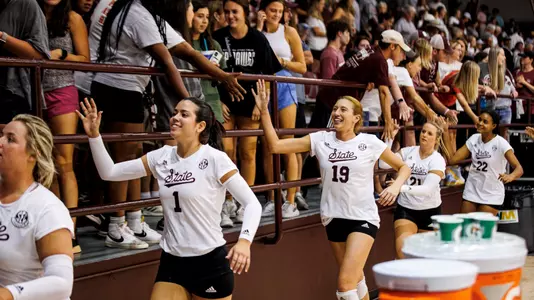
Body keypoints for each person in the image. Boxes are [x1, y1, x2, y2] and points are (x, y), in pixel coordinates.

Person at [77, 98, 262, 300]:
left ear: (200, 126)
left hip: (209, 262)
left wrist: (244, 241)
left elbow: (251, 203)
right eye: (175, 112)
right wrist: (94, 136)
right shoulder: (161, 156)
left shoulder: (215, 159)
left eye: (184, 114)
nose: (175, 117)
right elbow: (110, 172)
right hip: (172, 262)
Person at [253, 79, 411, 300]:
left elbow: (403, 167)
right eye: (335, 108)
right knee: (355, 279)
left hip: (362, 216)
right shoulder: (321, 140)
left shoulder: (369, 142)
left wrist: (394, 187)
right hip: (332, 216)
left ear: (356, 118)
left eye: (343, 109)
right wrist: (264, 112)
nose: (336, 112)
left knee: (345, 284)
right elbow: (276, 146)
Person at [213, 0, 282, 227]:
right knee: (227, 152)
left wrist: (261, 105)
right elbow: (210, 70)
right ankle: (227, 202)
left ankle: (246, 202)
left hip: (250, 102)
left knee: (248, 153)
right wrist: (216, 100)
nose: (230, 15)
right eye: (227, 12)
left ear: (245, 13)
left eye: (235, 11)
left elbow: (269, 74)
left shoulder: (257, 38)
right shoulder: (218, 37)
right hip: (225, 102)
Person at [0, 114, 74, 300]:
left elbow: (62, 283)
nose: (0, 141)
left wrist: (9, 293)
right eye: (1, 135)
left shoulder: (47, 208)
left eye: (10, 139)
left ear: (33, 155)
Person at [37, 0, 90, 254]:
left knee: (64, 161)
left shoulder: (72, 18)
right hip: (31, 91)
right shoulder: (28, 11)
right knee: (44, 163)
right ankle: (52, 226)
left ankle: (70, 231)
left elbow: (85, 60)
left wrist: (62, 55)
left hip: (62, 90)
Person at [257, 0, 306, 218]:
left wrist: (282, 62)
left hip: (285, 84)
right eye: (272, 10)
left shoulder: (290, 32)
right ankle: (271, 198)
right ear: (263, 12)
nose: (276, 14)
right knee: (268, 145)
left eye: (279, 11)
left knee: (289, 143)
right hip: (262, 86)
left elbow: (303, 67)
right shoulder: (256, 31)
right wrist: (258, 27)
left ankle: (291, 201)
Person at [379, 119, 448, 259]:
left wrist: (399, 187)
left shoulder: (437, 160)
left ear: (436, 139)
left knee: (425, 257)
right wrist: (390, 139)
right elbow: (383, 164)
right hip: (406, 209)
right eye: (423, 131)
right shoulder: (408, 152)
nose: (424, 135)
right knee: (403, 252)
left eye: (430, 133)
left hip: (430, 210)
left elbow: (427, 189)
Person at [442, 110, 524, 216]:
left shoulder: (501, 143)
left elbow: (519, 168)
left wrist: (510, 176)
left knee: (481, 230)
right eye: (480, 119)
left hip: (492, 194)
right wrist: (445, 131)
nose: (480, 123)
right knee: (465, 227)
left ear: (494, 126)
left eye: (485, 122)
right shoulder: (474, 139)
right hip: (472, 191)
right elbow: (452, 160)